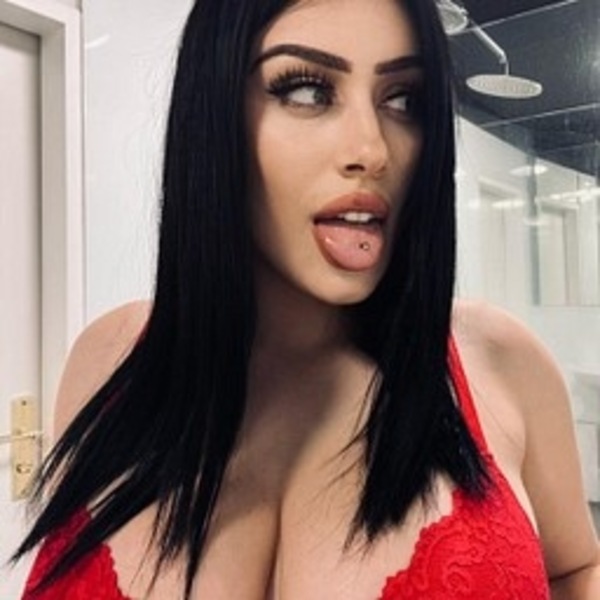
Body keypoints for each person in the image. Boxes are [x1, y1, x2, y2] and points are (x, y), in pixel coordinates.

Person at [13, 0, 600, 598]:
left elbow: (579, 568)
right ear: (212, 113)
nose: (372, 150)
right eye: (306, 90)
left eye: (404, 100)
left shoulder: (498, 361)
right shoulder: (107, 358)